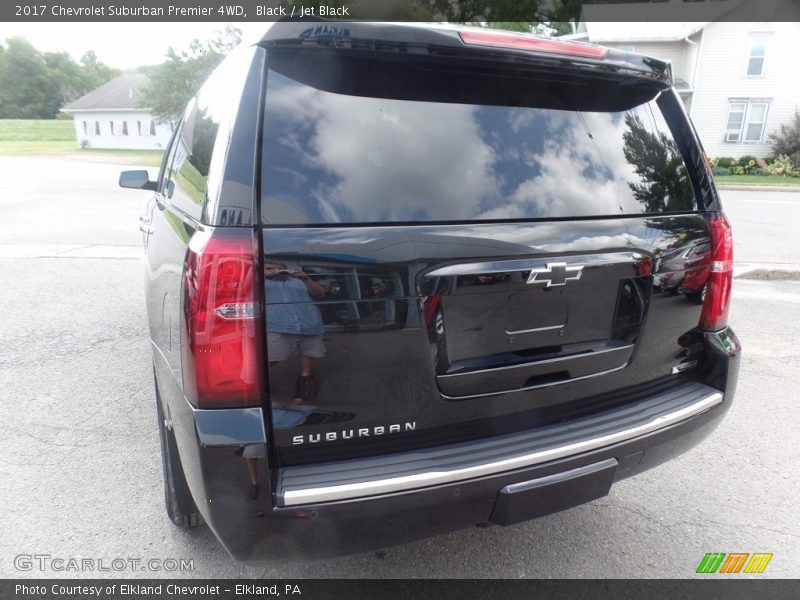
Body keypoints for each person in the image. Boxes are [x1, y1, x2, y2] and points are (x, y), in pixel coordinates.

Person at [263, 260, 326, 405]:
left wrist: (306, 278)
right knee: (270, 358)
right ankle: (260, 384)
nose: (274, 271)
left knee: (309, 355)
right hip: (277, 325)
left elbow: (320, 293)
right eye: (268, 268)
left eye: (279, 269)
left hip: (309, 323)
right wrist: (263, 274)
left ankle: (302, 391)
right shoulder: (261, 282)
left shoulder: (298, 281)